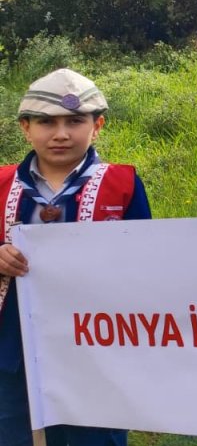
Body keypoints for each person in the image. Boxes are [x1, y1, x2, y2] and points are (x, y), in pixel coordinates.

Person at [0, 69, 152, 446]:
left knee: (96, 435)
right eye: (46, 122)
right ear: (25, 128)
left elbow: (149, 259)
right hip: (11, 347)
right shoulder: (1, 183)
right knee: (11, 429)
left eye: (75, 121)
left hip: (96, 348)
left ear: (97, 126)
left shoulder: (124, 184)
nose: (61, 134)